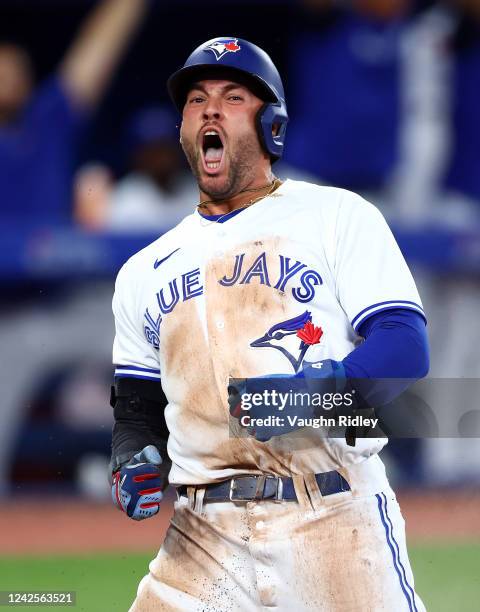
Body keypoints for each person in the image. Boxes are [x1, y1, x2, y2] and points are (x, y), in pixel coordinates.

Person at [109, 37, 429, 611]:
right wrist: (133, 459)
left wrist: (315, 395)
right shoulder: (142, 272)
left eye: (233, 96)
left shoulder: (336, 216)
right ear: (183, 128)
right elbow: (136, 411)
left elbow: (405, 347)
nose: (210, 108)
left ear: (271, 125)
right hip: (202, 537)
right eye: (197, 98)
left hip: (330, 514)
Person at [0, 0, 150, 224]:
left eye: (16, 68)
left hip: (49, 255)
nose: (9, 76)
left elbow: (99, 51)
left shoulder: (47, 120)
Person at [105, 106, 197, 232]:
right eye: (153, 151)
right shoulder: (125, 199)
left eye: (165, 149)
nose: (161, 159)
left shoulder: (196, 193)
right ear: (138, 155)